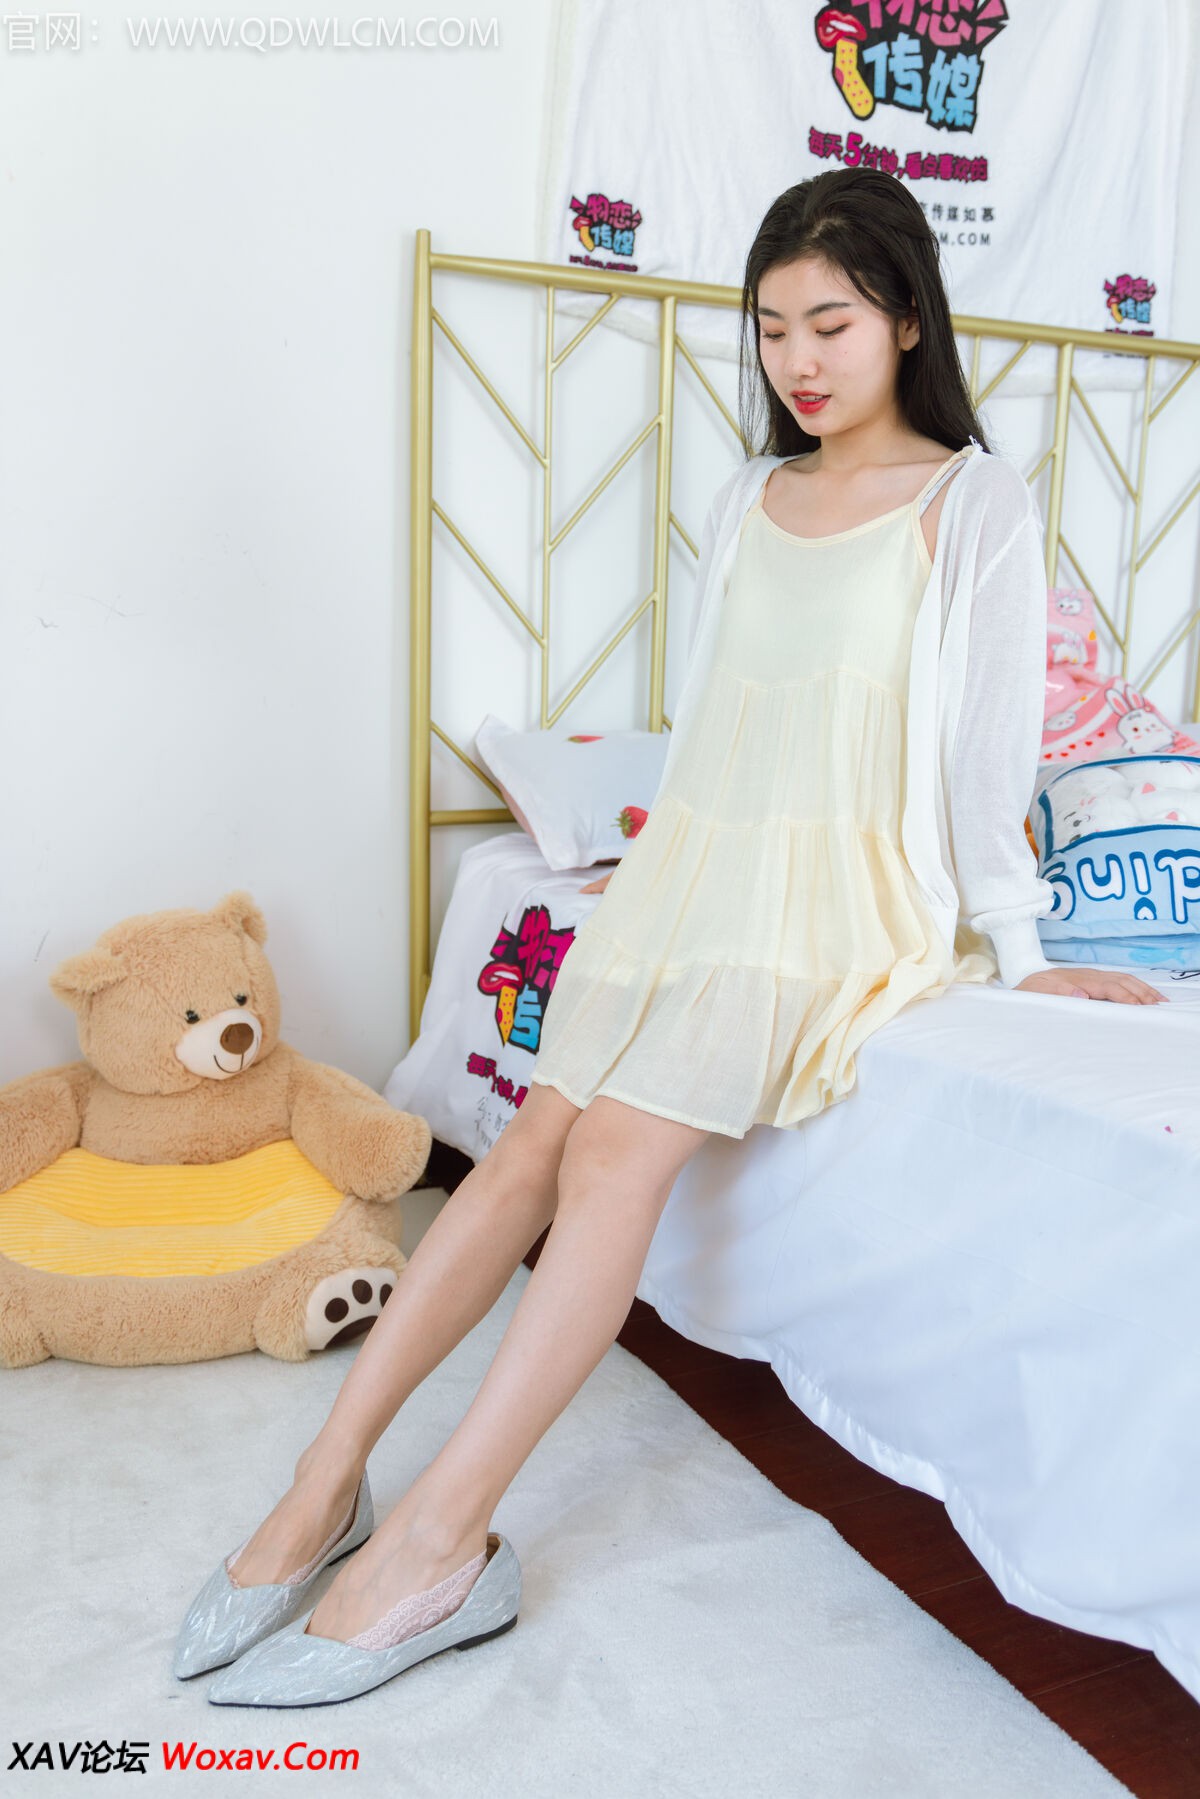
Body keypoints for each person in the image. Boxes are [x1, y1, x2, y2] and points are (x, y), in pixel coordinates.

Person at [176, 168, 1166, 1706]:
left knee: (615, 1153)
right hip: (691, 874)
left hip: (841, 895)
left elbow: (987, 760)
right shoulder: (746, 498)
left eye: (830, 322)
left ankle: (442, 1541)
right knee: (526, 1144)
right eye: (771, 328)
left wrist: (1022, 954)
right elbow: (708, 733)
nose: (798, 359)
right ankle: (325, 1484)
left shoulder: (973, 499)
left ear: (908, 319)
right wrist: (640, 886)